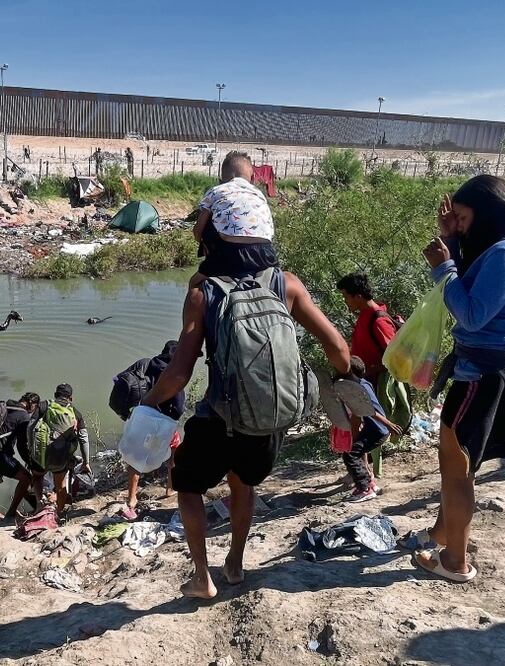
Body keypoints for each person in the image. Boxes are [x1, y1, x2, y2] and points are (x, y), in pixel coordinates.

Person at [141, 253, 353, 599]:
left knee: (188, 485)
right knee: (244, 485)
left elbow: (179, 374)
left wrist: (147, 403)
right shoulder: (287, 283)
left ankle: (201, 578)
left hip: (217, 418)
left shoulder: (203, 293)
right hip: (264, 422)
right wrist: (348, 377)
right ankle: (235, 565)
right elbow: (338, 348)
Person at [414, 174, 505, 584]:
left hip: (487, 375)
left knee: (455, 467)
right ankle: (443, 533)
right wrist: (453, 242)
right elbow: (476, 290)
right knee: (461, 464)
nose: (456, 223)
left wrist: (443, 266)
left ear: (487, 212)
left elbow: (472, 312)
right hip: (500, 367)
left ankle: (454, 562)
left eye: (461, 217)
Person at [336, 270, 411, 478]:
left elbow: (392, 358)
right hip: (362, 383)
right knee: (357, 426)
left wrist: (368, 373)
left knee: (366, 428)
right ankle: (362, 470)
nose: (346, 302)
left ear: (358, 296)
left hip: (373, 384)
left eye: (346, 297)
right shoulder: (365, 317)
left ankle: (366, 474)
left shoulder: (378, 320)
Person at [110, 340, 186, 519]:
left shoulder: (145, 364)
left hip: (141, 418)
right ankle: (169, 488)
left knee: (136, 458)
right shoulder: (173, 373)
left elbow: (119, 379)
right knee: (175, 451)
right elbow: (179, 407)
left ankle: (132, 498)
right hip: (161, 422)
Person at [190, 151, 279, 288]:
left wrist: (201, 240)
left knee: (194, 283)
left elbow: (198, 231)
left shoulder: (216, 191)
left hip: (230, 254)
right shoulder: (259, 194)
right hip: (265, 253)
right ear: (253, 178)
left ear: (221, 179)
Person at [329, 357, 402, 502]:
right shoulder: (364, 384)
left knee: (350, 456)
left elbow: (371, 410)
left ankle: (365, 489)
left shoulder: (358, 390)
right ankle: (370, 484)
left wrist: (389, 424)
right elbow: (358, 415)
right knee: (358, 452)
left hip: (377, 430)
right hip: (373, 429)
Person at [19, 383, 92, 518]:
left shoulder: (44, 405)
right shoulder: (75, 413)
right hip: (60, 458)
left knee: (37, 477)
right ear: (71, 397)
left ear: (55, 395)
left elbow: (30, 426)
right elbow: (83, 438)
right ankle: (58, 512)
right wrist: (86, 462)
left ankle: (39, 506)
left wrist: (30, 447)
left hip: (41, 456)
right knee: (60, 484)